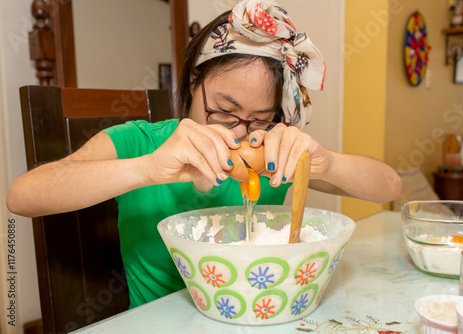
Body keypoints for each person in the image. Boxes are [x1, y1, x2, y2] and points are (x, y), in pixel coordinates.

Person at [7, 0, 402, 308]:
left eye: (260, 118)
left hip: (257, 312)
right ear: (194, 82)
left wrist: (327, 162)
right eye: (225, 110)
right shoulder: (141, 141)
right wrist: (146, 169)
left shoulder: (268, 156)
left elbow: (389, 186)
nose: (239, 132)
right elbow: (22, 195)